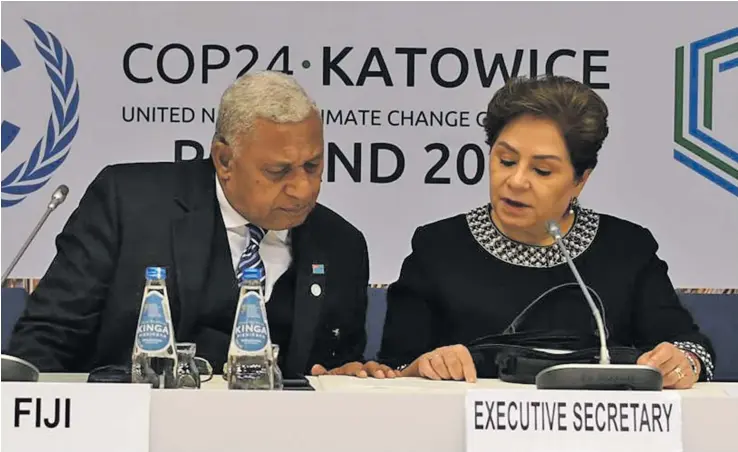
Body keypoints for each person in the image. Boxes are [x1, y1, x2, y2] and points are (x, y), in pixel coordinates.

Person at [8, 71, 370, 379]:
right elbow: (48, 339)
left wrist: (342, 381)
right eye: (278, 171)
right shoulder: (128, 205)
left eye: (313, 166)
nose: (303, 188)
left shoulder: (342, 245)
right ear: (225, 160)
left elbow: (334, 368)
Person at [363, 75, 715, 389]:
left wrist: (684, 362)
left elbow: (690, 344)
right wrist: (426, 367)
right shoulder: (437, 249)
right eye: (506, 161)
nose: (516, 181)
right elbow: (393, 370)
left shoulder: (627, 250)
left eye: (542, 170)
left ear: (581, 179)